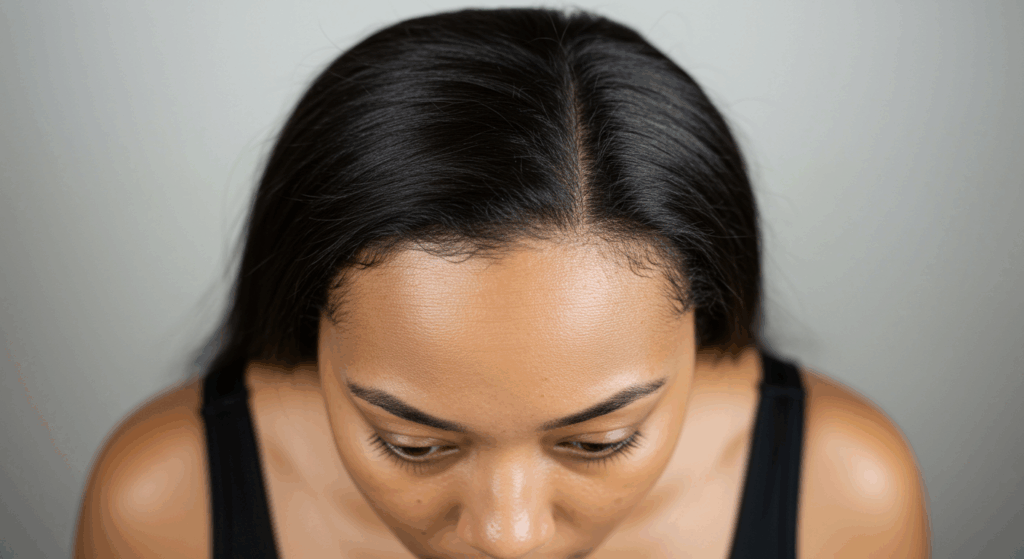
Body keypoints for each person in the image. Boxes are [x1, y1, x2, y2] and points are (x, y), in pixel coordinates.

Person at [73, 7, 930, 558]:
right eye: (413, 443)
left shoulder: (841, 492)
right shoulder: (166, 503)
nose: (508, 535)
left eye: (598, 442)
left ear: (705, 324)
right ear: (308, 322)